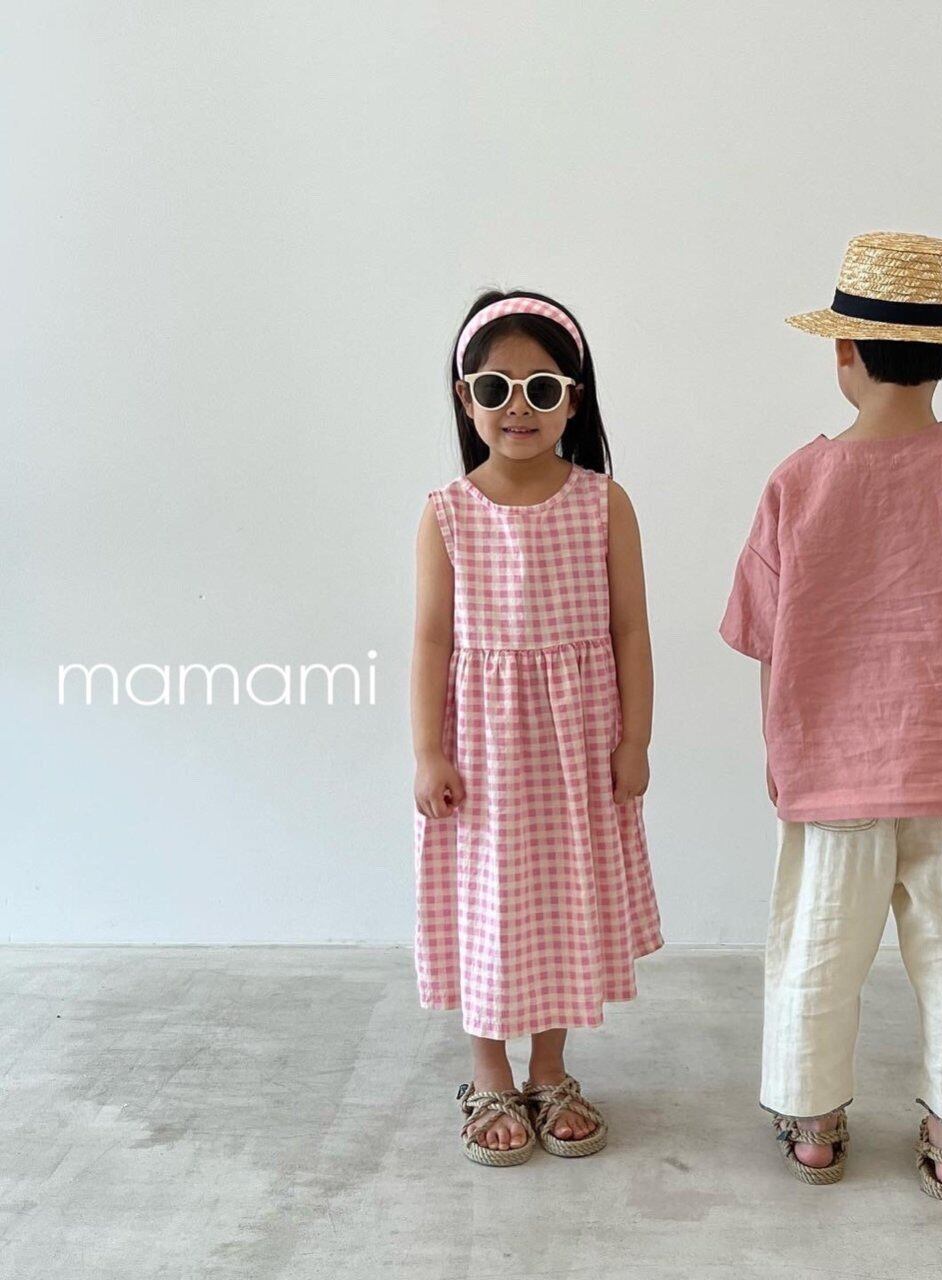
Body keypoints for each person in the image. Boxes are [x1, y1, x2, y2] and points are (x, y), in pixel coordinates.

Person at [718, 232, 942, 1198]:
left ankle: (814, 1126)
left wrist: (782, 754)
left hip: (829, 772)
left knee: (818, 949)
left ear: (841, 349)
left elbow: (767, 643)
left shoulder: (797, 482)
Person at [411, 290, 663, 1167]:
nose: (518, 406)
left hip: (575, 744)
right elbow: (431, 640)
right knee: (490, 901)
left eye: (542, 388)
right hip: (483, 749)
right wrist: (428, 751)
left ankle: (549, 1068)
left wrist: (635, 740)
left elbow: (630, 628)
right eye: (495, 387)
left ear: (574, 400)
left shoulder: (603, 503)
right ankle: (489, 1072)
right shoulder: (448, 512)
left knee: (560, 898)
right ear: (464, 397)